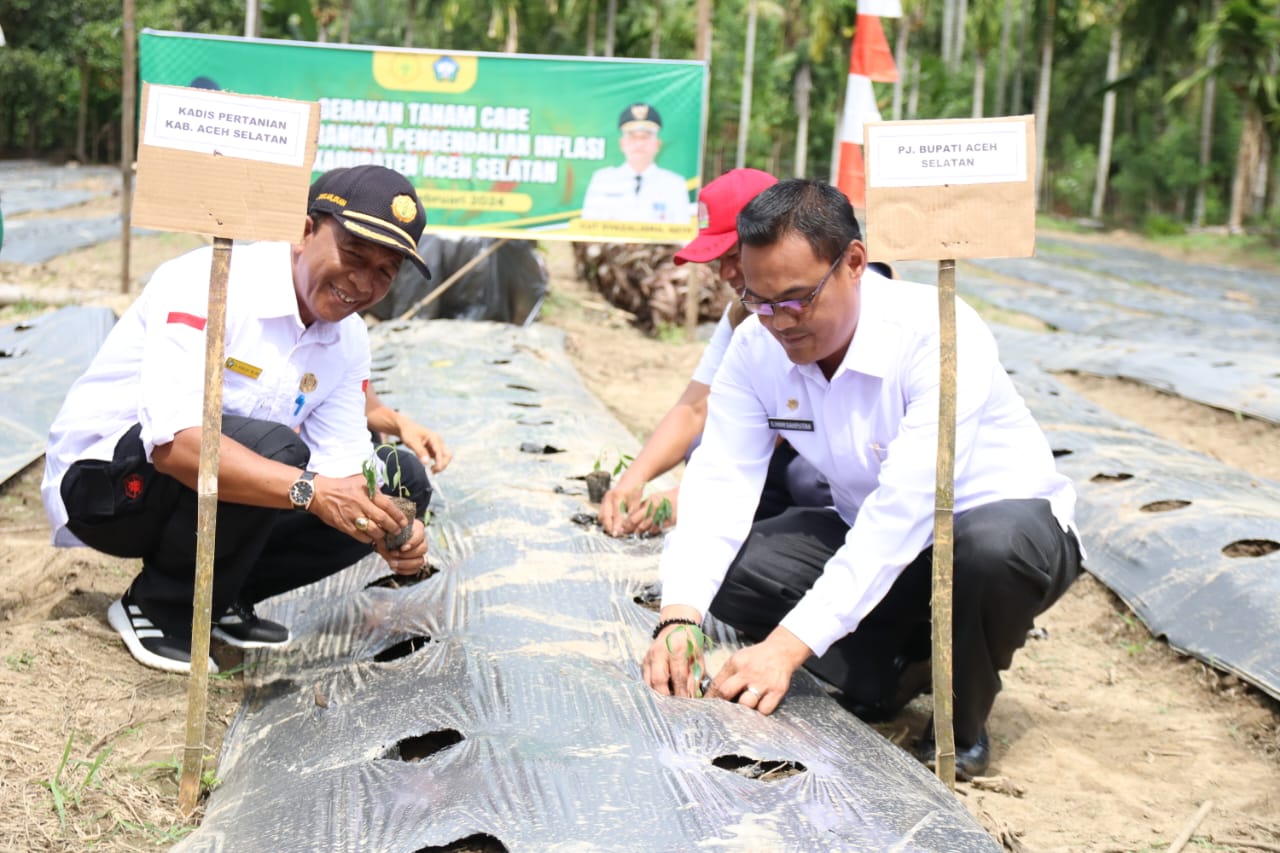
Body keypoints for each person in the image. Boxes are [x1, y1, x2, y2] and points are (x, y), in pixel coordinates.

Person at [641, 179, 1082, 780]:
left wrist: (786, 647)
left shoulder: (939, 333)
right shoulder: (755, 346)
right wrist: (679, 616)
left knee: (986, 551)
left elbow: (906, 509)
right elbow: (718, 486)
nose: (781, 322)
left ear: (853, 262)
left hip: (996, 528)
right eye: (760, 300)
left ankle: (964, 722)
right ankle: (893, 673)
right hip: (873, 535)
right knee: (736, 574)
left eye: (797, 298)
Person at [42, 164, 439, 675]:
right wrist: (312, 492)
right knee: (280, 453)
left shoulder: (349, 338)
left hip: (210, 497)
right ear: (304, 231)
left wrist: (385, 525)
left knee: (399, 479)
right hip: (108, 488)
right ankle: (160, 608)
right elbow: (175, 446)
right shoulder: (211, 282)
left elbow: (344, 467)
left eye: (385, 271)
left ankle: (225, 594)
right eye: (353, 255)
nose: (362, 283)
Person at [599, 168, 830, 537]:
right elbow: (696, 407)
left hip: (836, 449)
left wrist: (691, 497)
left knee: (808, 479)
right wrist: (634, 478)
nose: (725, 273)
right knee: (702, 447)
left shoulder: (820, 304)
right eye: (717, 258)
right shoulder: (742, 313)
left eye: (734, 254)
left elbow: (790, 417)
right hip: (783, 438)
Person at [580, 103, 692, 224]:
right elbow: (588, 229)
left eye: (645, 137)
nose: (639, 144)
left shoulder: (674, 184)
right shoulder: (602, 180)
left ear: (658, 144)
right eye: (633, 137)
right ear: (622, 144)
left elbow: (683, 235)